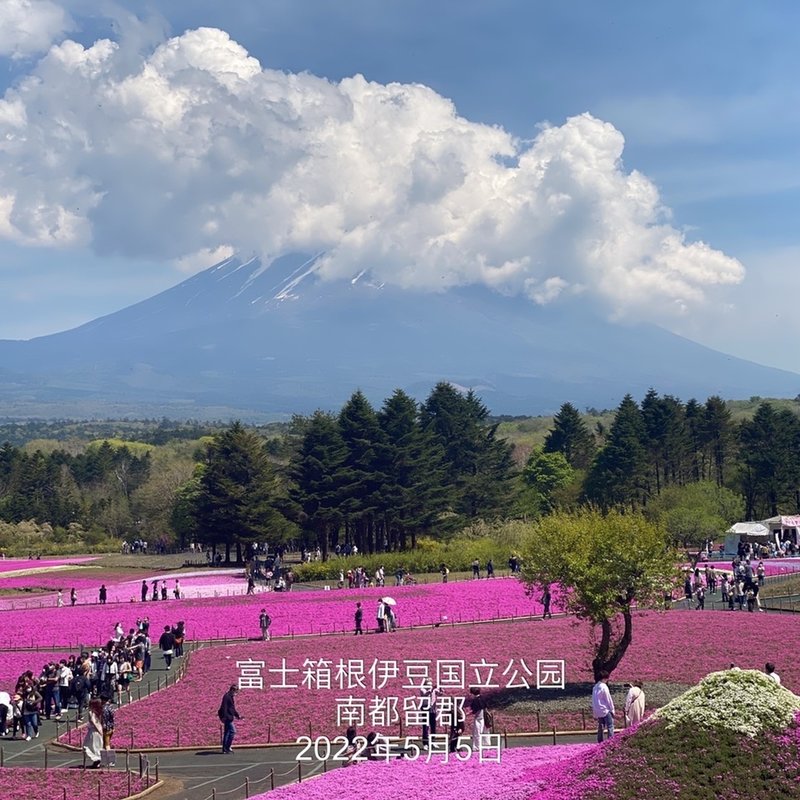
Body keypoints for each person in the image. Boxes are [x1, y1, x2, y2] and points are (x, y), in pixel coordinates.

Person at [592, 672, 615, 743]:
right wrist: (612, 709)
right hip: (605, 709)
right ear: (605, 678)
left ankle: (600, 741)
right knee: (610, 726)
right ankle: (610, 742)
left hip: (598, 710)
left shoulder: (595, 687)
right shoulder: (604, 687)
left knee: (601, 727)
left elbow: (593, 699)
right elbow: (608, 699)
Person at [218, 684, 241, 753]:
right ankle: (227, 747)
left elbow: (232, 708)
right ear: (232, 690)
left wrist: (237, 716)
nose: (236, 693)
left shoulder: (230, 697)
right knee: (232, 731)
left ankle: (225, 749)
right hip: (227, 718)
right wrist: (224, 717)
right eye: (236, 691)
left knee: (227, 733)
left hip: (229, 717)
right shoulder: (227, 697)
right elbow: (224, 707)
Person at [83, 696, 104, 767]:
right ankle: (98, 760)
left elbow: (93, 721)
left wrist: (98, 729)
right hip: (99, 730)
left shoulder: (91, 712)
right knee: (98, 746)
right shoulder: (100, 712)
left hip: (94, 731)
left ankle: (97, 760)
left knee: (90, 746)